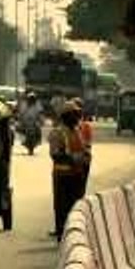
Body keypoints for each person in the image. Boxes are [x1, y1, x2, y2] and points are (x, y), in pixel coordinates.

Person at [48, 101, 88, 241]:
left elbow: (83, 150)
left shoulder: (77, 131)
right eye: (73, 115)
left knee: (75, 207)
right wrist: (72, 159)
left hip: (76, 175)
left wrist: (84, 158)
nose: (76, 118)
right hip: (62, 176)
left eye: (77, 114)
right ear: (66, 117)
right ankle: (61, 234)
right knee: (61, 207)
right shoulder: (57, 133)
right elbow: (55, 155)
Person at [72, 98, 94, 198]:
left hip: (82, 158)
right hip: (71, 159)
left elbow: (88, 144)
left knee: (81, 188)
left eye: (77, 111)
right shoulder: (66, 126)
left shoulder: (86, 126)